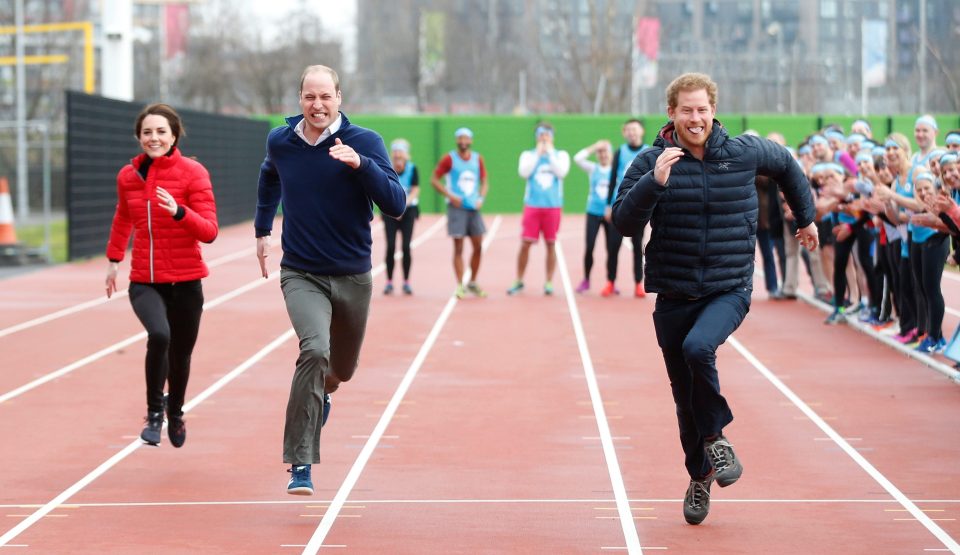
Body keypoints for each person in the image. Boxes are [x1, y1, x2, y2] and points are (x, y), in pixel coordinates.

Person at [612, 73, 818, 526]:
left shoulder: (743, 152)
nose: (695, 118)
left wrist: (806, 218)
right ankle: (699, 477)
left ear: (713, 110)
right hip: (674, 293)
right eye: (686, 109)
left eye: (702, 109)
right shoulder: (652, 160)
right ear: (672, 113)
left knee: (698, 348)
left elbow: (786, 164)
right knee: (685, 402)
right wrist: (655, 182)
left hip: (729, 288)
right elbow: (623, 223)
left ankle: (718, 439)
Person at [255, 65, 406, 495]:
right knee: (314, 350)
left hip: (353, 276)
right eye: (309, 97)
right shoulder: (281, 142)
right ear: (299, 98)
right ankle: (301, 463)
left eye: (325, 97)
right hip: (301, 271)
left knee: (340, 370)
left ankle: (324, 395)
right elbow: (269, 177)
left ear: (339, 98)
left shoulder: (365, 142)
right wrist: (263, 230)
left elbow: (395, 204)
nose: (317, 105)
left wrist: (361, 166)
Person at [105, 103, 219, 449]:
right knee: (159, 335)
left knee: (181, 355)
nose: (153, 138)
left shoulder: (193, 173)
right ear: (138, 137)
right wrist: (113, 259)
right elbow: (123, 216)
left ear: (173, 135)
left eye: (160, 132)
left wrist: (180, 212)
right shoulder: (128, 177)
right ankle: (155, 413)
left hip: (186, 282)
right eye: (147, 132)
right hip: (145, 281)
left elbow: (210, 231)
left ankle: (177, 410)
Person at [507, 122, 570, 296]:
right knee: (525, 243)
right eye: (541, 134)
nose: (544, 138)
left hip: (553, 206)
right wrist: (538, 154)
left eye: (547, 134)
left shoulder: (560, 155)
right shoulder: (528, 155)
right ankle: (519, 279)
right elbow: (524, 172)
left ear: (552, 136)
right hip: (532, 206)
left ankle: (548, 281)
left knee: (551, 243)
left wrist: (549, 153)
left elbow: (561, 172)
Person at [430, 127, 490, 299]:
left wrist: (481, 198)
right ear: (457, 141)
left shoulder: (478, 159)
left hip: (474, 207)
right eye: (460, 138)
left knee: (478, 246)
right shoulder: (449, 159)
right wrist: (450, 195)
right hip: (456, 208)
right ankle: (459, 285)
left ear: (471, 140)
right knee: (459, 247)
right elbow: (434, 179)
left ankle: (472, 282)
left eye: (466, 138)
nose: (463, 141)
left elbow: (485, 181)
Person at [605, 119, 651, 297]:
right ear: (625, 133)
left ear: (641, 131)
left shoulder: (649, 152)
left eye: (635, 129)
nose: (632, 132)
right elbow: (611, 180)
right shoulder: (619, 152)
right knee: (613, 246)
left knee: (637, 247)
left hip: (639, 207)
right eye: (629, 130)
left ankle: (638, 283)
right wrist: (608, 205)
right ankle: (610, 281)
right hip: (620, 206)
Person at [572, 139, 614, 293]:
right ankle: (586, 280)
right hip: (593, 212)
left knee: (611, 249)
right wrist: (594, 146)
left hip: (610, 215)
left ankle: (611, 281)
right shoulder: (593, 168)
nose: (603, 155)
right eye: (600, 152)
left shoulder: (615, 169)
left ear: (610, 153)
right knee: (589, 247)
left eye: (605, 151)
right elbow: (577, 158)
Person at [383, 139, 419, 295]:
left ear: (405, 154)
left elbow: (415, 190)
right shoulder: (387, 168)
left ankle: (406, 281)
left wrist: (403, 206)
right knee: (391, 246)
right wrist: (393, 207)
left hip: (408, 211)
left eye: (400, 151)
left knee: (406, 247)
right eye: (395, 151)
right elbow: (383, 188)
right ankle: (389, 282)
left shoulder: (412, 169)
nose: (398, 154)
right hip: (390, 212)